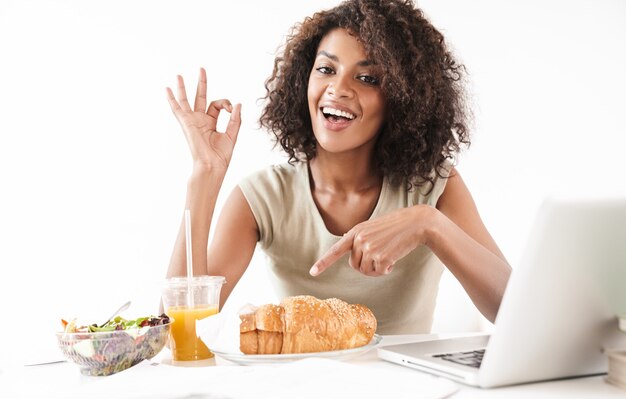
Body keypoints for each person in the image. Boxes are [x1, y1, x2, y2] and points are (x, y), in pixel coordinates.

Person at [165, 0, 511, 334]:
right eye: (327, 70)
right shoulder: (263, 197)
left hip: (413, 387)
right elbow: (182, 329)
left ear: (403, 98)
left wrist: (430, 225)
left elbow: (512, 308)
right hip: (301, 387)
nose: (338, 89)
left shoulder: (433, 185)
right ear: (305, 80)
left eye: (368, 78)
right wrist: (204, 174)